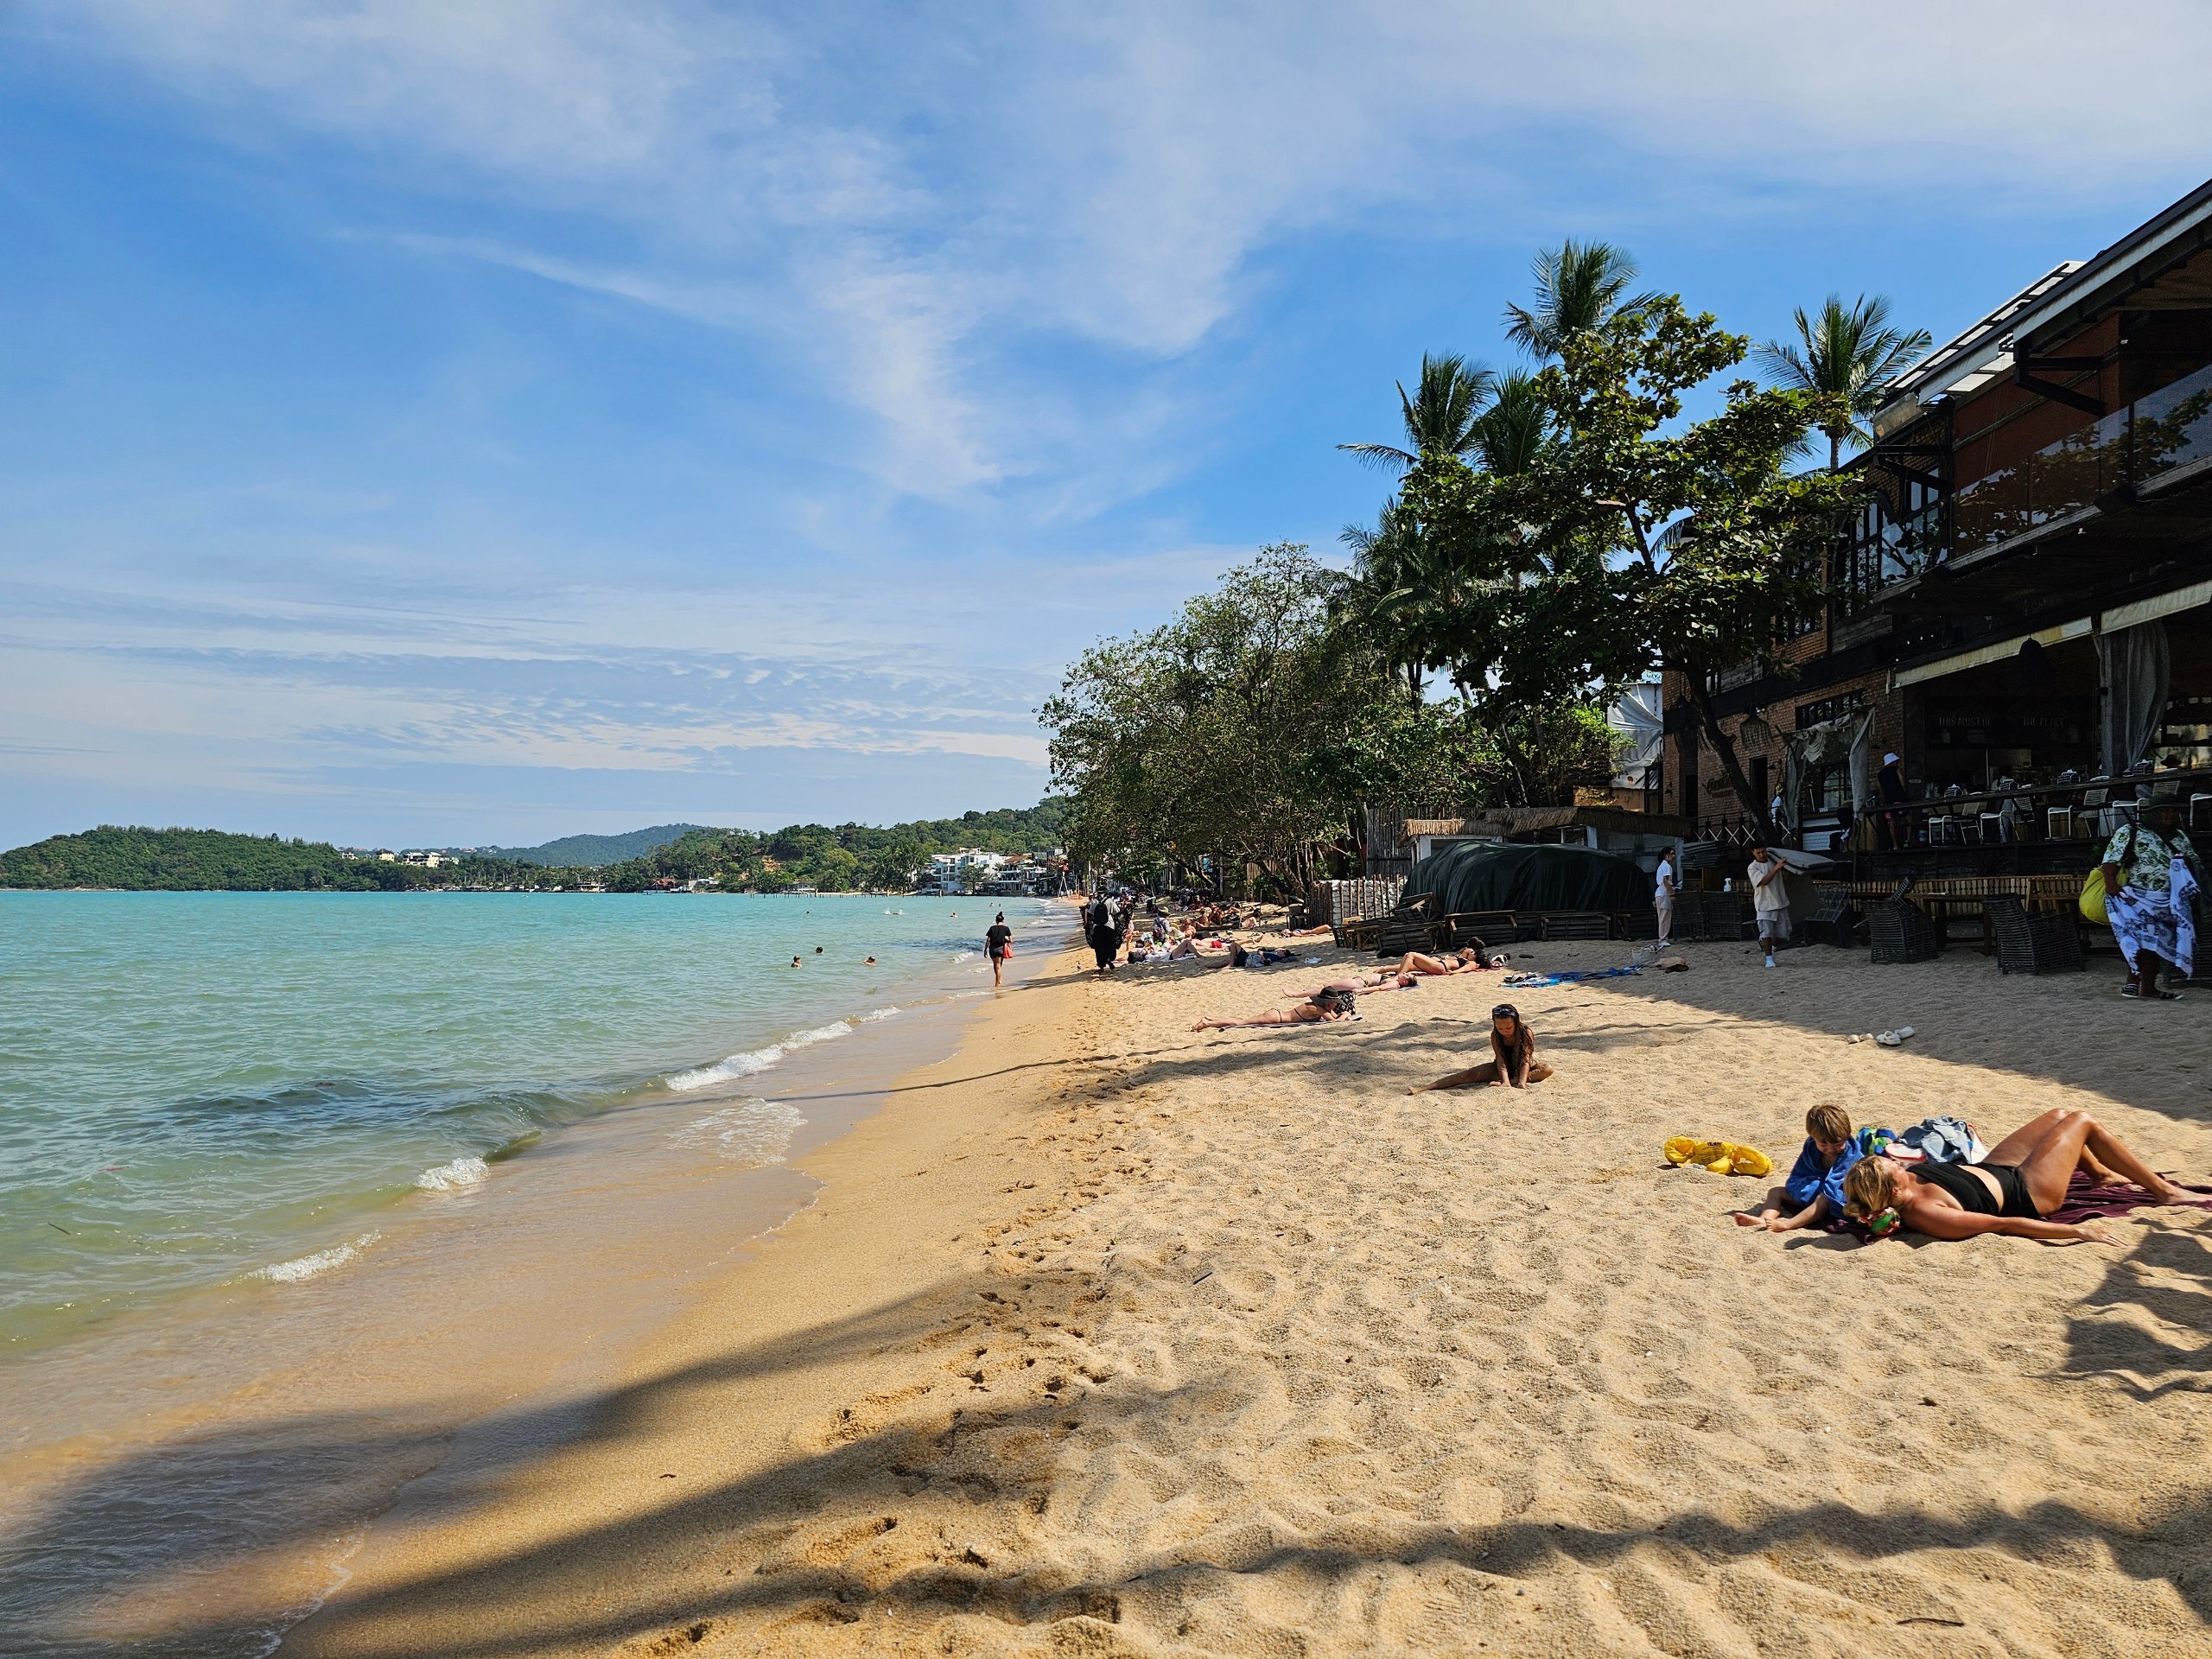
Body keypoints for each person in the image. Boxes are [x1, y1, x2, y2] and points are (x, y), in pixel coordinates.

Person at [1842, 1107, 2190, 1244]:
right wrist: (2078, 1231)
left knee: (2059, 1116)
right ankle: (2164, 1192)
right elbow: (2004, 1225)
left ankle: (2099, 1175)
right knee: (2081, 1121)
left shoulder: (1905, 1181)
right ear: (1893, 1189)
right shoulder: (1928, 1213)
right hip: (2029, 1191)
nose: (1897, 1163)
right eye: (1893, 1168)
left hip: (1994, 1169)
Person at [2102, 793, 2199, 1001]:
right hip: (2136, 897)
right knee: (2140, 941)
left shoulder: (2180, 837)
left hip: (2169, 902)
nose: (2169, 815)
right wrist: (2111, 884)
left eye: (2173, 811)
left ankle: (2147, 987)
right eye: (2164, 811)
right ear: (2153, 813)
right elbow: (2111, 859)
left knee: (2157, 945)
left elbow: (2194, 864)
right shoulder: (2131, 831)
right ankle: (2133, 983)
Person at [1735, 1102, 1861, 1232]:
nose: (1830, 1149)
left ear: (1846, 1136)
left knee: (1824, 1199)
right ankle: (1764, 1218)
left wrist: (1827, 1192)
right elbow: (1804, 1172)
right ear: (1813, 1138)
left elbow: (1849, 1189)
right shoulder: (1811, 1149)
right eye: (1823, 1145)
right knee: (1775, 1192)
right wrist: (1812, 1187)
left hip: (1835, 1201)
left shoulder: (1853, 1156)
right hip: (1812, 1192)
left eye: (1837, 1144)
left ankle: (1787, 1225)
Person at [1408, 1004, 1551, 1092]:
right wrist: (1505, 1082)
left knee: (1547, 1069)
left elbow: (1525, 1059)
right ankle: (1424, 1088)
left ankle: (1515, 1080)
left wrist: (1521, 1083)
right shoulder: (1495, 1035)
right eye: (1500, 1028)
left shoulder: (1525, 1032)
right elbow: (1500, 1060)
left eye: (1508, 1028)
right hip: (1501, 1068)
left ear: (1516, 1022)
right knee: (1466, 1075)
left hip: (1523, 1067)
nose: (1504, 1031)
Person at [1192, 988, 1357, 1032]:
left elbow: (1335, 1016)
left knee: (1241, 1021)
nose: (1336, 1005)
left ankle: (1211, 1020)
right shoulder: (1317, 1008)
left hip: (1277, 1014)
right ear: (1328, 1002)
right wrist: (1346, 1014)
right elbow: (1335, 1022)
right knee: (1240, 1023)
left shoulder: (1321, 1008)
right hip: (1276, 1018)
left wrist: (1344, 1015)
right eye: (1334, 1003)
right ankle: (1207, 1023)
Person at [1745, 845, 1789, 969]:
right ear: (1753, 853)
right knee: (1767, 932)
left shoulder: (1774, 861)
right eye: (1758, 853)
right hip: (1764, 903)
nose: (1762, 855)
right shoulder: (1753, 867)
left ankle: (1771, 948)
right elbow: (1764, 881)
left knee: (1784, 933)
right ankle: (1769, 959)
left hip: (1780, 901)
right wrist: (1776, 868)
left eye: (1763, 852)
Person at [1877, 752, 1910, 849]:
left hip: (1888, 802)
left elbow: (1880, 789)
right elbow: (1903, 783)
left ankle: (1895, 845)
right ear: (1893, 762)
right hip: (1900, 799)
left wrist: (1883, 799)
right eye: (1896, 761)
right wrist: (1906, 794)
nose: (1898, 763)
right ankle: (1908, 840)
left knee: (1891, 823)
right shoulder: (1897, 770)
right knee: (1908, 818)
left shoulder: (1879, 775)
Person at [1399, 945, 1499, 976]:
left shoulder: (1472, 963)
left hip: (1441, 967)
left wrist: (1453, 972)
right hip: (1439, 964)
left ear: (1475, 956)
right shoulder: (1466, 959)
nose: (1471, 953)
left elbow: (1465, 969)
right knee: (1408, 956)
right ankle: (1398, 975)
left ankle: (1399, 976)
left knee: (1411, 955)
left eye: (1473, 953)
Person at [1653, 849, 1676, 949]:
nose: (1673, 856)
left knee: (1662, 916)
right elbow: (1665, 881)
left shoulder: (1662, 866)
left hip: (1660, 893)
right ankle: (1663, 939)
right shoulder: (1666, 866)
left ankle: (1663, 937)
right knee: (1665, 917)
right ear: (1666, 855)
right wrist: (1671, 894)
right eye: (1672, 854)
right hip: (1664, 893)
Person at [985, 912, 1013, 986]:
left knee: (995, 965)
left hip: (992, 949)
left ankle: (999, 978)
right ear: (1003, 920)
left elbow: (988, 940)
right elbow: (1011, 940)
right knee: (999, 966)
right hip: (1001, 949)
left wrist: (985, 950)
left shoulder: (992, 928)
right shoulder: (1006, 928)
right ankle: (997, 984)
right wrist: (1006, 940)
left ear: (996, 920)